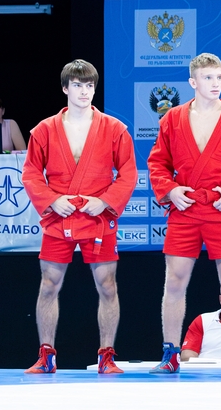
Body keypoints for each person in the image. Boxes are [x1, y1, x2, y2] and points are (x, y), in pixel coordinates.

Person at [147, 53, 221, 374]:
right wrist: (170, 190)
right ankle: (170, 354)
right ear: (193, 82)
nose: (215, 84)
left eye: (219, 78)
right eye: (208, 78)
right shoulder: (172, 119)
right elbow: (157, 163)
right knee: (174, 281)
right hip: (185, 208)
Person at [22, 59, 137, 374]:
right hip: (59, 216)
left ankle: (107, 356)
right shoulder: (44, 130)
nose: (84, 91)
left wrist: (106, 202)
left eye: (89, 85)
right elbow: (31, 173)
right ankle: (46, 355)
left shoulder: (114, 129)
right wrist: (51, 200)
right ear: (65, 88)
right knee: (49, 284)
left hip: (97, 216)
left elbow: (128, 173)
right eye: (77, 85)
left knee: (108, 285)